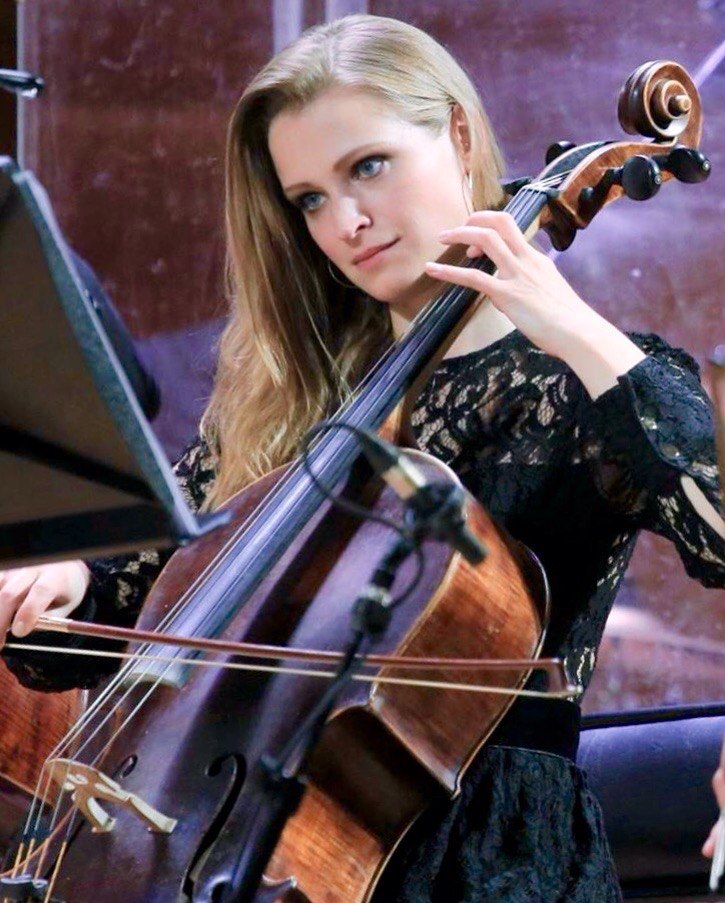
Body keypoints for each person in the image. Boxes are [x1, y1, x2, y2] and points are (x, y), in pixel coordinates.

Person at [1, 14, 723, 902]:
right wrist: (68, 576)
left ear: (458, 135)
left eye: (368, 166)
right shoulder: (291, 397)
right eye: (308, 199)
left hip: (489, 860)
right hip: (260, 847)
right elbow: (142, 597)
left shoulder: (581, 382)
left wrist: (576, 329)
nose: (345, 221)